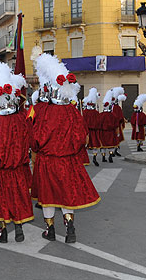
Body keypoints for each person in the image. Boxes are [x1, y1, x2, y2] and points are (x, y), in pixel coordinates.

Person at [31, 54, 100, 243]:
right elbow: (82, 137)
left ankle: (50, 230)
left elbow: (35, 138)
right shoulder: (72, 110)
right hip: (68, 160)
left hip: (47, 160)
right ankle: (70, 228)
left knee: (48, 197)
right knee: (66, 196)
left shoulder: (42, 110)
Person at [0, 63, 33, 243]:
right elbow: (29, 141)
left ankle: (3, 232)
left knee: (1, 200)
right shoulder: (21, 119)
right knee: (18, 197)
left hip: (0, 171)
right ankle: (19, 229)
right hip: (18, 168)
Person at [82, 88, 102, 166]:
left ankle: (86, 158)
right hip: (94, 132)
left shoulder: (84, 112)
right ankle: (94, 157)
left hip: (86, 132)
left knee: (85, 146)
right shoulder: (96, 113)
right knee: (95, 146)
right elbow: (99, 122)